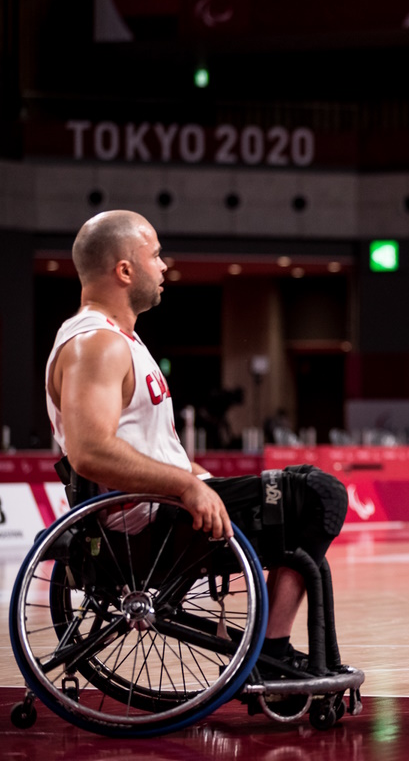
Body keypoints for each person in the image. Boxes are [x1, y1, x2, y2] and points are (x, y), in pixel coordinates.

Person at [45, 210, 348, 670]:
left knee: (301, 504)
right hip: (149, 526)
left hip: (160, 511)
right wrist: (187, 487)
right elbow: (90, 451)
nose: (164, 266)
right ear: (124, 270)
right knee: (320, 494)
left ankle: (272, 646)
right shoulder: (96, 344)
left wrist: (198, 478)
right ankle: (271, 650)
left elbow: (142, 447)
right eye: (155, 255)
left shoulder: (120, 340)